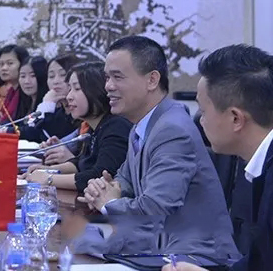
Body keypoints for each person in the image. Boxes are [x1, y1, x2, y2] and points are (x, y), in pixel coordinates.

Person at [79, 36, 238, 258]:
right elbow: (125, 179)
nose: (108, 86)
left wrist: (109, 202)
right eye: (107, 77)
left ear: (152, 80)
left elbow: (154, 209)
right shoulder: (141, 124)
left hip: (196, 258)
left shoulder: (172, 129)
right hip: (156, 248)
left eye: (117, 77)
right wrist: (104, 188)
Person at [161, 44, 273, 271]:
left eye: (203, 110)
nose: (200, 120)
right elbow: (260, 262)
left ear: (235, 119)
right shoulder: (272, 160)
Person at [25, 62, 131, 192]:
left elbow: (99, 175)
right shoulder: (95, 127)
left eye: (77, 88)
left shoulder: (117, 126)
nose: (69, 97)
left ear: (97, 90)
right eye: (69, 89)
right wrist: (48, 170)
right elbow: (83, 162)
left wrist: (49, 178)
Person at [31, 54, 83, 152]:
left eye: (63, 75)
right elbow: (32, 129)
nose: (55, 81)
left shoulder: (81, 112)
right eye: (51, 76)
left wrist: (47, 105)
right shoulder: (58, 111)